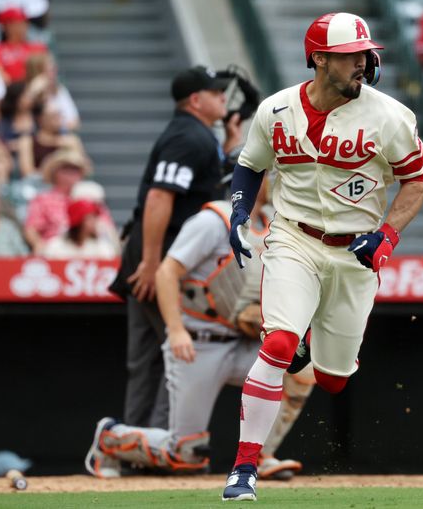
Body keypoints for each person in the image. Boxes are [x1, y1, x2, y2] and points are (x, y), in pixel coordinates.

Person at [220, 12, 423, 502]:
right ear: (319, 59)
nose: (363, 62)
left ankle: (308, 342)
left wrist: (387, 235)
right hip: (294, 238)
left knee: (333, 380)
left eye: (365, 53)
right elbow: (250, 165)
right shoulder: (275, 110)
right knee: (276, 345)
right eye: (350, 55)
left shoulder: (390, 116)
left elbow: (418, 182)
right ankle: (244, 468)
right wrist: (238, 214)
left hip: (355, 254)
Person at [86, 186, 311, 480]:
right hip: (199, 344)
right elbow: (167, 273)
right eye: (269, 171)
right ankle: (110, 437)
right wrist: (175, 330)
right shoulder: (213, 220)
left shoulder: (273, 222)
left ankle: (259, 455)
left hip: (241, 342)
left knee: (301, 368)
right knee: (186, 454)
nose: (279, 176)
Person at [108, 65, 243, 432]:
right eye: (216, 93)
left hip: (159, 253)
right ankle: (163, 446)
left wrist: (229, 144)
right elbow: (159, 197)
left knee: (147, 359)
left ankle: (132, 444)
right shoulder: (188, 137)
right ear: (196, 100)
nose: (223, 98)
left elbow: (207, 184)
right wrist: (153, 262)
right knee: (176, 352)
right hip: (163, 257)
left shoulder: (197, 135)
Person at [23, 148, 90, 253]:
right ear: (54, 173)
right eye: (66, 170)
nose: (71, 175)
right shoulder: (42, 200)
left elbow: (105, 228)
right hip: (54, 251)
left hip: (86, 250)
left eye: (75, 170)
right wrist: (39, 246)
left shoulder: (89, 199)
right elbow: (31, 230)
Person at [16, 98, 87, 177]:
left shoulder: (71, 141)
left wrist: (74, 151)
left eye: (60, 115)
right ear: (40, 118)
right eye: (54, 116)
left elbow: (86, 170)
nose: (59, 119)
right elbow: (27, 173)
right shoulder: (27, 141)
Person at [0, 7, 47, 83]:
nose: (24, 26)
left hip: (33, 89)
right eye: (18, 22)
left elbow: (44, 74)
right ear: (6, 26)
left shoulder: (37, 48)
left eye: (24, 22)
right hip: (8, 91)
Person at [41, 200, 117, 259]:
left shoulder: (102, 247)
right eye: (90, 218)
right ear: (78, 220)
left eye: (95, 217)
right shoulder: (55, 246)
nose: (94, 222)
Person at [25, 53, 80, 131]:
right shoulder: (25, 90)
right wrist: (34, 89)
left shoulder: (60, 90)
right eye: (51, 69)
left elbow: (75, 123)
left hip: (58, 135)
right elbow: (21, 115)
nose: (55, 72)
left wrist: (56, 126)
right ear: (38, 71)